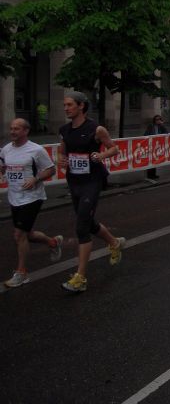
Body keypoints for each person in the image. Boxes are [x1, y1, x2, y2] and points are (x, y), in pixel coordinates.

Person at [58, 92, 126, 293]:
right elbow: (61, 152)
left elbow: (114, 149)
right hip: (74, 181)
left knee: (81, 227)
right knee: (88, 221)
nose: (66, 108)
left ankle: (80, 278)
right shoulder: (64, 130)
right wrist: (60, 160)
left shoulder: (96, 129)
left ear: (81, 106)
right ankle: (114, 243)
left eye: (69, 105)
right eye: (64, 105)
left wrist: (101, 154)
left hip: (92, 181)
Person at [1, 118, 60, 288]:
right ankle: (53, 242)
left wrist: (35, 179)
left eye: (17, 129)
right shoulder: (6, 149)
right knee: (28, 234)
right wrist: (3, 169)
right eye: (11, 128)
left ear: (26, 131)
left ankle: (21, 273)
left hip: (32, 197)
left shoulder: (36, 150)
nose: (12, 131)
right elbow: (3, 164)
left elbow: (51, 169)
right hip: (14, 197)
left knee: (19, 235)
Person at [144, 114, 168, 180]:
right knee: (150, 160)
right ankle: (149, 175)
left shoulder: (160, 126)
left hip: (157, 146)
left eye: (159, 119)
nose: (158, 121)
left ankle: (154, 174)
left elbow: (166, 133)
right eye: (157, 119)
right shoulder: (151, 126)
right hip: (151, 145)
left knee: (155, 160)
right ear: (154, 120)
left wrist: (162, 125)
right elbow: (145, 134)